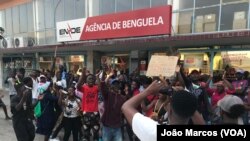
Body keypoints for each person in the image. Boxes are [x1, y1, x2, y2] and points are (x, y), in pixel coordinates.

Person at [122, 80, 203, 141]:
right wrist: (185, 97)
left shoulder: (154, 133)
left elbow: (126, 107)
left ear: (170, 111)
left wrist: (148, 91)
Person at [99, 71, 126, 141]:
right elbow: (102, 86)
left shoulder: (123, 98)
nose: (116, 85)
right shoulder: (107, 95)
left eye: (117, 84)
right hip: (107, 126)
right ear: (111, 86)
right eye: (114, 84)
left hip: (117, 127)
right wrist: (103, 74)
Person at [77, 67, 100, 141]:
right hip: (85, 113)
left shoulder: (96, 87)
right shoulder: (84, 87)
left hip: (95, 112)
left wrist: (97, 77)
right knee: (86, 134)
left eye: (92, 79)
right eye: (89, 78)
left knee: (95, 133)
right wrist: (83, 74)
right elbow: (78, 86)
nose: (91, 80)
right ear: (86, 80)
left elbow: (100, 87)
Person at [11, 77, 35, 141]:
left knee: (32, 135)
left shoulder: (27, 96)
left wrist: (38, 100)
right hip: (18, 122)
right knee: (23, 139)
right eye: (23, 88)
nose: (25, 89)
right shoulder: (14, 98)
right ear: (19, 90)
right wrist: (23, 98)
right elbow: (17, 108)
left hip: (27, 120)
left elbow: (30, 107)